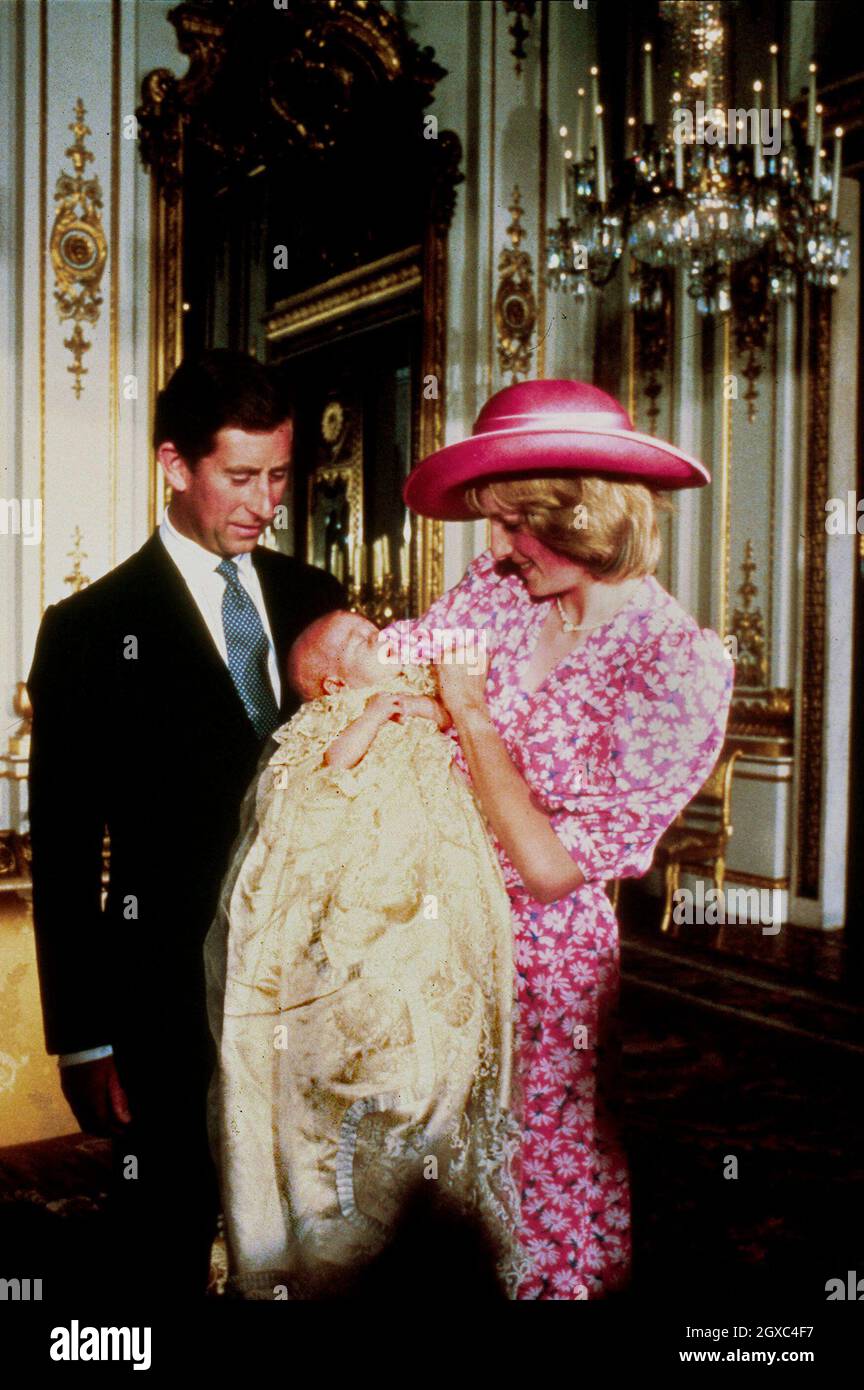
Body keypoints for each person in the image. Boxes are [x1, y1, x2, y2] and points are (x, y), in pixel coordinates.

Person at [382, 378, 735, 1300]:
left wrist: (470, 716)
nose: (496, 547)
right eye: (492, 523)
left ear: (586, 516)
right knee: (429, 1190)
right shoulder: (500, 595)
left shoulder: (675, 663)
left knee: (537, 1191)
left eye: (515, 524)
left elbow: (546, 869)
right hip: (433, 937)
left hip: (545, 970)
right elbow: (394, 660)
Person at [27, 350, 345, 1299]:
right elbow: (66, 853)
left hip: (316, 987)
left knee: (313, 1221)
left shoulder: (314, 599)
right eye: (241, 476)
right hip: (165, 998)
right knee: (167, 1225)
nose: (266, 501)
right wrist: (82, 1040)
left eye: (281, 475)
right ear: (175, 464)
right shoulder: (88, 629)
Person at [203, 610, 522, 1298]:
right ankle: (345, 1238)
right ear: (330, 683)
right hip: (365, 880)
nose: (371, 632)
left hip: (436, 870)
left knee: (441, 1001)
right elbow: (331, 767)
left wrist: (433, 708)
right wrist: (374, 716)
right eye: (350, 640)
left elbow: (452, 715)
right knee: (368, 998)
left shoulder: (412, 685)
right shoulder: (335, 716)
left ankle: (430, 1213)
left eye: (366, 623)